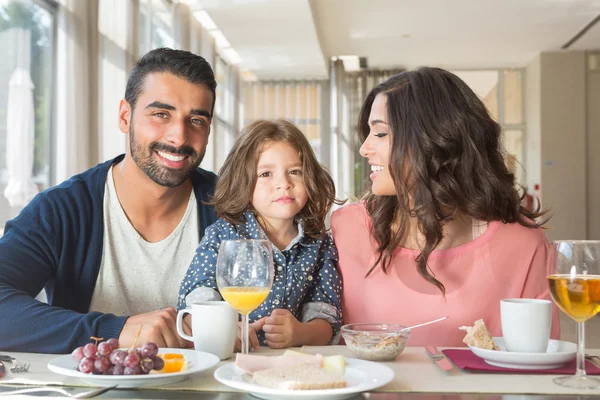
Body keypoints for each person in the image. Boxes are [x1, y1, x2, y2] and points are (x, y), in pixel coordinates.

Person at [0, 48, 218, 353]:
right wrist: (113, 331)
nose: (179, 137)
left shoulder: (231, 208)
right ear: (124, 117)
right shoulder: (61, 210)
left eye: (196, 120)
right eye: (160, 114)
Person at [330, 67, 560, 347]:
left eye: (380, 133)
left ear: (434, 139)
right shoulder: (346, 229)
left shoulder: (523, 245)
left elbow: (537, 362)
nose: (364, 148)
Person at [177, 119, 343, 349]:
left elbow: (327, 319)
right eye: (266, 174)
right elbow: (195, 301)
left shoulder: (320, 245)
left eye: (295, 171)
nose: (284, 184)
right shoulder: (222, 236)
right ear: (242, 180)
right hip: (229, 367)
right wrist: (223, 330)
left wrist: (300, 333)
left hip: (291, 371)